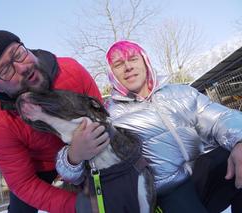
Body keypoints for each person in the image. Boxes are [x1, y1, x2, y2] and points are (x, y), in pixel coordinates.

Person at [0, 22, 110, 213]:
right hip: (40, 166)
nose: (22, 68)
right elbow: (23, 184)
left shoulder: (71, 71)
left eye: (18, 53)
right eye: (5, 71)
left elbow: (101, 119)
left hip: (88, 147)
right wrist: (78, 206)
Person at [56, 40, 242, 213]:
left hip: (202, 172)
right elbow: (76, 173)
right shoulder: (108, 116)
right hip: (166, 191)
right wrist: (73, 157)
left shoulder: (182, 93)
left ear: (145, 62)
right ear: (112, 74)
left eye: (133, 59)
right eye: (119, 64)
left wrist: (239, 141)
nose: (128, 67)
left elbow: (220, 117)